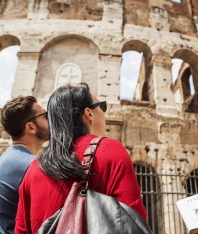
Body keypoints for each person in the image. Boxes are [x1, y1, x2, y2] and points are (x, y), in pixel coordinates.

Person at [15, 83, 147, 233]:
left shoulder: (33, 168)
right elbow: (134, 220)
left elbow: (21, 229)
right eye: (101, 107)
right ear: (89, 113)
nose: (104, 113)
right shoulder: (111, 150)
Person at [0, 96, 49, 234]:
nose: (50, 119)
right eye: (45, 115)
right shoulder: (31, 166)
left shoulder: (5, 159)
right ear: (31, 127)